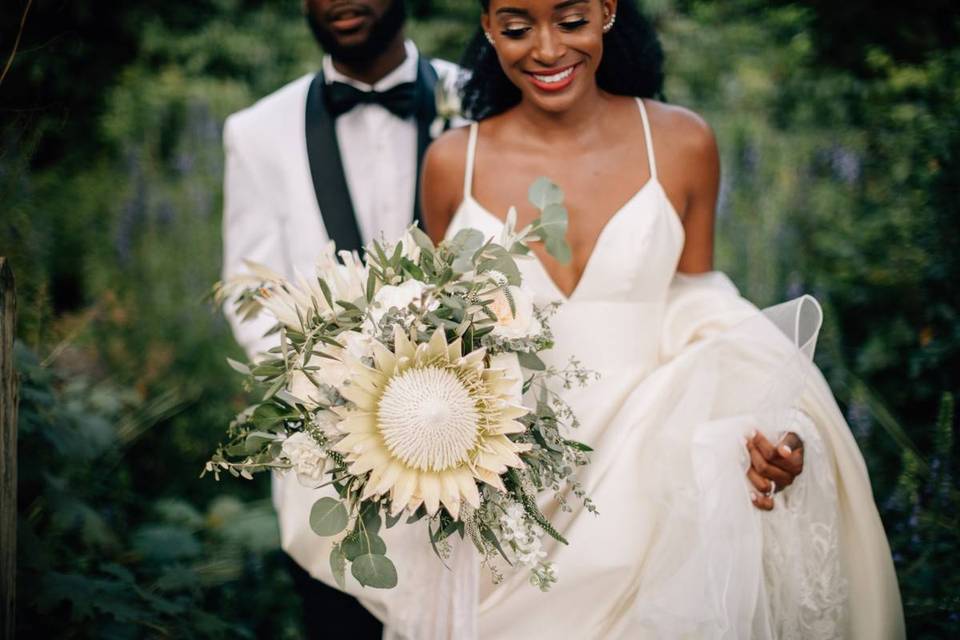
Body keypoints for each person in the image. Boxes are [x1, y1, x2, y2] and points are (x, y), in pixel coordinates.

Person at [407, 0, 903, 637]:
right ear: (487, 30)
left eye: (571, 21)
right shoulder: (453, 162)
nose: (549, 50)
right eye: (517, 27)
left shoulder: (680, 142)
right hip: (505, 492)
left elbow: (702, 309)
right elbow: (439, 336)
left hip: (649, 482)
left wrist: (778, 420)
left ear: (607, 11)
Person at [220, 1, 458, 637]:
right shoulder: (256, 129)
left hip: (468, 448)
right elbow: (250, 293)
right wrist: (339, 393)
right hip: (330, 468)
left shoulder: (482, 99)